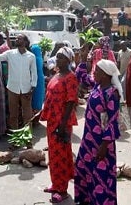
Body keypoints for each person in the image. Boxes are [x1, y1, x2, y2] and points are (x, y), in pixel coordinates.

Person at [74, 59, 121, 205]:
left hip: (102, 142)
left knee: (101, 175)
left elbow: (112, 121)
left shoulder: (111, 93)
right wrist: (82, 59)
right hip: (88, 139)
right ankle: (86, 200)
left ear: (106, 74)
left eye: (98, 71)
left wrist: (104, 145)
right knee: (83, 169)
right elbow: (81, 76)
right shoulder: (97, 86)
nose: (94, 73)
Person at [40, 47, 78, 204]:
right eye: (57, 57)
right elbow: (50, 95)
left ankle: (62, 190)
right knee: (54, 155)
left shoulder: (70, 77)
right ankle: (55, 183)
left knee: (61, 154)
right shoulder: (57, 75)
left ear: (69, 60)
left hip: (62, 121)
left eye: (62, 57)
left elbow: (71, 102)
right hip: (52, 119)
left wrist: (62, 126)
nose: (58, 59)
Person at [0, 33, 37, 131]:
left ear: (25, 42)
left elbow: (34, 73)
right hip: (12, 88)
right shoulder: (10, 53)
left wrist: (32, 89)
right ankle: (15, 141)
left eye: (19, 38)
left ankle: (28, 140)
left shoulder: (31, 56)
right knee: (13, 116)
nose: (16, 40)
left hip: (26, 90)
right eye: (16, 38)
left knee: (28, 116)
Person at [30, 44, 45, 116]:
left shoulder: (34, 58)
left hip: (35, 78)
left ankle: (35, 115)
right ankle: (38, 114)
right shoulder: (40, 58)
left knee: (35, 96)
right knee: (40, 96)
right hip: (41, 78)